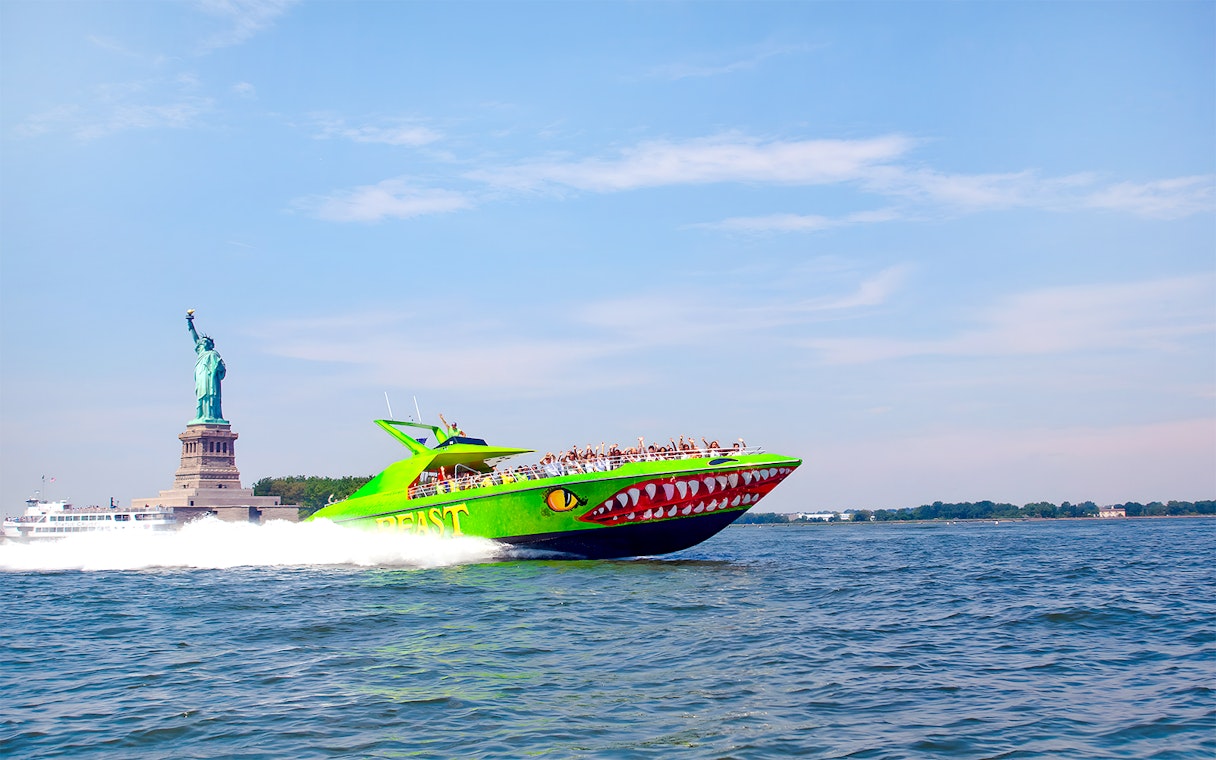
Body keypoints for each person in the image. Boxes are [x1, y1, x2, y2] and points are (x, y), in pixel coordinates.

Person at [186, 312, 226, 423]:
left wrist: (219, 367)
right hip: (201, 375)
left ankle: (213, 416)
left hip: (211, 378)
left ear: (210, 344)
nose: (203, 343)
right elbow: (195, 338)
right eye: (202, 342)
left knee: (211, 395)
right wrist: (190, 324)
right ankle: (201, 415)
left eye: (205, 342)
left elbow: (222, 369)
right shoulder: (201, 352)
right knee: (201, 394)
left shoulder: (214, 354)